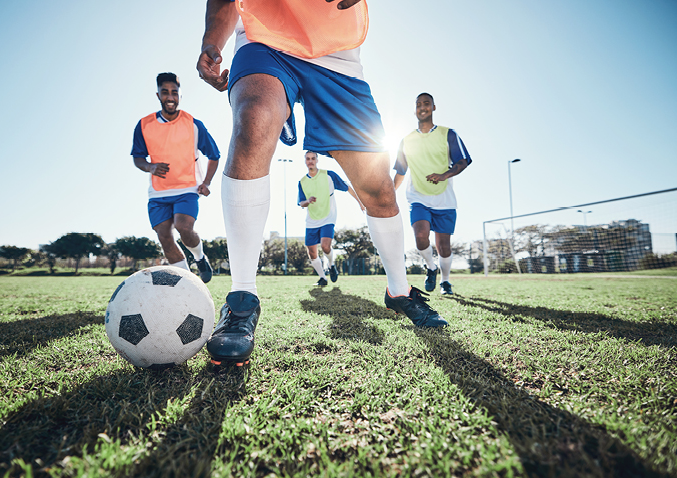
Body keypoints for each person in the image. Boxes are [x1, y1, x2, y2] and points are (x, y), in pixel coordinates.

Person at [198, 0, 448, 366]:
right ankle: (241, 299)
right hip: (264, 40)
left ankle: (399, 290)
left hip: (336, 56)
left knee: (378, 189)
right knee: (254, 121)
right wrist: (212, 40)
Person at [130, 72, 220, 283]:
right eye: (165, 92)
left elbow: (214, 155)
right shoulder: (144, 125)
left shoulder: (193, 124)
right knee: (164, 236)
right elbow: (138, 157)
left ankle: (199, 256)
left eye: (174, 93)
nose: (170, 97)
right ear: (158, 95)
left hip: (187, 188)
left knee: (183, 227)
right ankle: (188, 282)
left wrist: (206, 182)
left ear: (179, 95)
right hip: (159, 192)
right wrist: (150, 167)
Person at [393, 92, 472, 295]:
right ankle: (431, 267)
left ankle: (445, 281)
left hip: (444, 199)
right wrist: (389, 194)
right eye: (418, 104)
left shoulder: (448, 134)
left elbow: (462, 161)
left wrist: (445, 174)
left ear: (433, 107)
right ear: (414, 109)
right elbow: (401, 171)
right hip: (417, 196)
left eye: (426, 103)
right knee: (420, 236)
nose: (422, 107)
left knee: (444, 246)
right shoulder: (406, 140)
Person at [298, 150, 365, 286]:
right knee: (312, 252)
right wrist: (308, 201)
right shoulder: (302, 182)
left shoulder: (329, 175)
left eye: (313, 158)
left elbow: (348, 187)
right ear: (305, 161)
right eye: (308, 159)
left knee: (325, 246)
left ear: (317, 160)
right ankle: (323, 278)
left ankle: (331, 265)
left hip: (328, 216)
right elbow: (301, 203)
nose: (310, 161)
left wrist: (360, 202)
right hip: (311, 220)